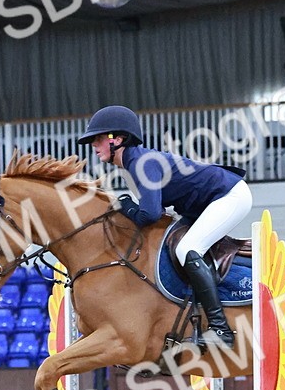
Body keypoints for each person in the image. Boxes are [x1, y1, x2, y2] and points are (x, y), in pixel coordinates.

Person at [77, 105, 251, 349]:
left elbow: (149, 214)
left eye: (97, 140)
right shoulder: (133, 162)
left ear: (117, 139)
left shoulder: (139, 163)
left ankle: (221, 328)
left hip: (229, 196)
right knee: (175, 245)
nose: (94, 146)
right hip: (205, 203)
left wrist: (125, 205)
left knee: (187, 250)